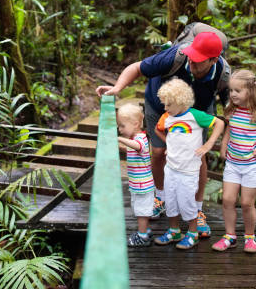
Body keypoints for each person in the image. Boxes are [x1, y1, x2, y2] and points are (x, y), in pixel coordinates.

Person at [96, 31, 230, 238]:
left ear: (213, 60)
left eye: (199, 60)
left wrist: (250, 131)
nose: (192, 62)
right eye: (191, 56)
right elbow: (136, 68)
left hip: (196, 113)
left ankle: (197, 208)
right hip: (159, 108)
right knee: (158, 151)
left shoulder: (223, 74)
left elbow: (231, 108)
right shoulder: (175, 56)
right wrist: (118, 87)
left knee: (198, 156)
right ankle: (161, 197)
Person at [152, 79, 225, 249]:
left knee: (187, 201)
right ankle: (174, 230)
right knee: (170, 201)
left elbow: (220, 123)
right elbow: (157, 129)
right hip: (170, 168)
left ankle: (192, 233)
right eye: (164, 104)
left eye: (168, 104)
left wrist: (208, 145)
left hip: (189, 170)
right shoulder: (166, 117)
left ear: (180, 101)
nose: (165, 108)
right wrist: (168, 144)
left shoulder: (195, 115)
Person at [212, 70, 256, 253]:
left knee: (247, 203)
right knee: (227, 199)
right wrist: (223, 146)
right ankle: (230, 236)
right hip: (233, 163)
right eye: (231, 90)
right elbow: (229, 129)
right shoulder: (231, 109)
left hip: (253, 165)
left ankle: (249, 237)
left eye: (237, 91)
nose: (232, 94)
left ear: (250, 91)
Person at [116, 103, 154, 247]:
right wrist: (122, 147)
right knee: (140, 209)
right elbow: (134, 150)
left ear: (136, 124)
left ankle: (143, 236)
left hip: (142, 185)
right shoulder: (135, 138)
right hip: (138, 184)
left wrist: (119, 139)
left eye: (122, 126)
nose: (120, 130)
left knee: (141, 211)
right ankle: (145, 231)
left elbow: (138, 147)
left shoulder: (140, 139)